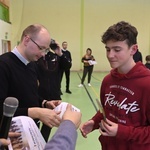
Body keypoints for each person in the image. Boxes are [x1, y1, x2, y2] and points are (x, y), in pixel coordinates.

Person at [80, 21, 150, 150]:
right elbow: (106, 111)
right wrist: (94, 122)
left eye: (117, 49)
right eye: (108, 49)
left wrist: (121, 131)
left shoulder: (147, 84)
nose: (110, 55)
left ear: (133, 49)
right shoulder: (108, 81)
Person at [0, 24, 61, 129]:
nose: (43, 54)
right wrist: (35, 112)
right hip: (12, 135)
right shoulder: (3, 65)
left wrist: (44, 103)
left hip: (30, 130)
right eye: (41, 48)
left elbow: (28, 94)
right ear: (27, 40)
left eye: (46, 50)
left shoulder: (31, 64)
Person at [36, 41, 71, 141]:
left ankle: (42, 143)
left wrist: (59, 53)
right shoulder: (38, 58)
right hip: (40, 96)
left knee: (48, 125)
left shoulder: (56, 57)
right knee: (36, 122)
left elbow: (67, 66)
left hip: (54, 96)